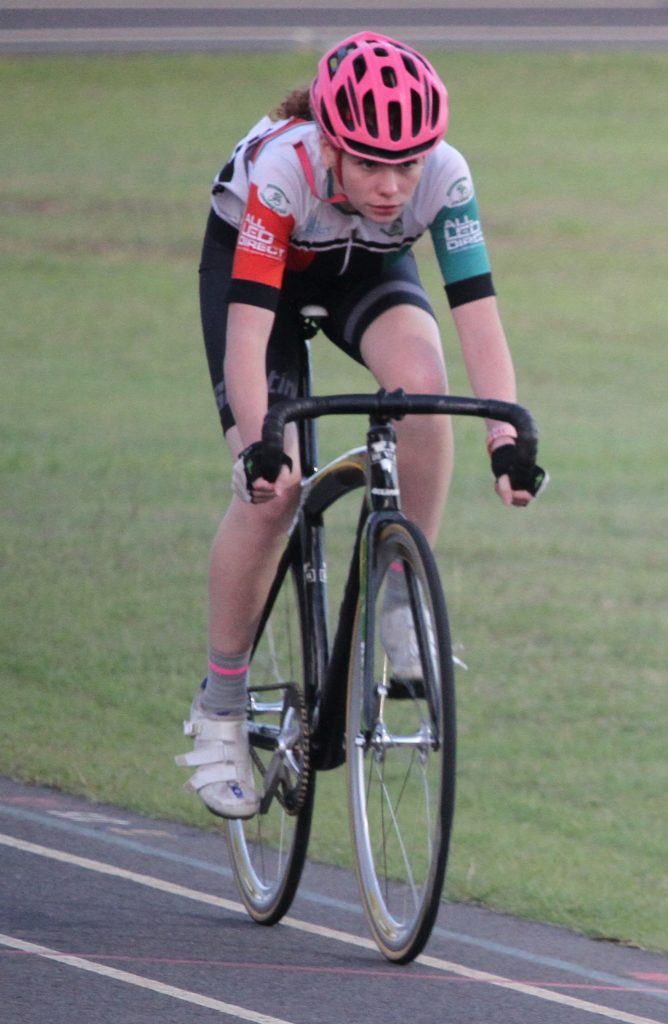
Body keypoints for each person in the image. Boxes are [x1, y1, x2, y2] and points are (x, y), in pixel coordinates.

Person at [176, 31, 545, 819]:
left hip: (369, 268)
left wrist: (506, 433)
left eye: (406, 164)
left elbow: (477, 317)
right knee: (272, 493)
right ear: (332, 144)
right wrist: (261, 440)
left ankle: (401, 599)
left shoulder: (443, 179)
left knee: (424, 388)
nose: (391, 185)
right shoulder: (283, 172)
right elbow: (247, 332)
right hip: (261, 281)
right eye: (372, 164)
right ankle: (221, 707)